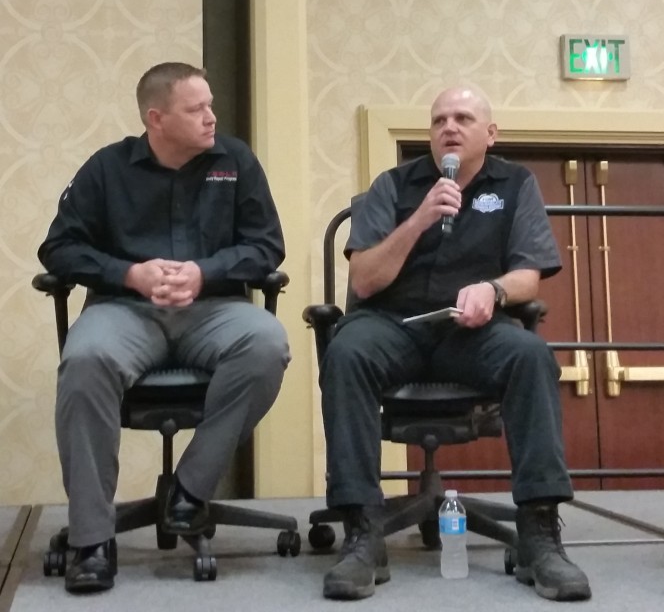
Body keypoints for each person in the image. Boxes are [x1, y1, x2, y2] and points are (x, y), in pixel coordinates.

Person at [318, 85, 591, 602]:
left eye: (464, 117)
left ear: (490, 133)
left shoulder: (515, 184)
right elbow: (365, 281)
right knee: (346, 351)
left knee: (532, 355)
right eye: (440, 119)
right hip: (392, 325)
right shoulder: (393, 185)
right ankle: (360, 531)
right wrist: (419, 218)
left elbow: (528, 277)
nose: (450, 126)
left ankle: (539, 532)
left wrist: (493, 290)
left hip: (472, 330)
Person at [38, 62, 290, 594]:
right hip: (125, 309)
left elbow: (267, 246)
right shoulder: (106, 169)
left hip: (213, 309)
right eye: (196, 109)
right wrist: (128, 273)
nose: (211, 118)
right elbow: (58, 248)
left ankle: (190, 490)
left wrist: (206, 272)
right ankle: (91, 539)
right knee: (83, 361)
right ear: (157, 118)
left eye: (211, 105)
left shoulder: (236, 161)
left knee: (267, 342)